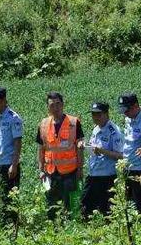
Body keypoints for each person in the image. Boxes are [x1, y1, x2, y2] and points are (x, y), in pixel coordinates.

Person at [37, 91, 84, 219]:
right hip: (50, 173)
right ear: (48, 107)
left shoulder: (74, 122)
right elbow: (41, 149)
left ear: (63, 105)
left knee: (69, 206)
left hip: (70, 172)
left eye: (58, 104)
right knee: (51, 206)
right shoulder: (43, 124)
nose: (55, 108)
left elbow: (80, 148)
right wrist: (41, 170)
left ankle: (69, 232)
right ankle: (54, 231)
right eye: (52, 105)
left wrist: (80, 170)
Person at [0, 87, 23, 223]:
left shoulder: (14, 118)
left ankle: (13, 226)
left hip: (9, 165)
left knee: (10, 198)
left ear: (3, 100)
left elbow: (17, 143)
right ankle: (3, 225)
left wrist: (14, 165)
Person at [81, 102, 123, 218]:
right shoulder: (96, 129)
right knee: (85, 206)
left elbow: (120, 155)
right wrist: (85, 146)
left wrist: (102, 151)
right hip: (93, 173)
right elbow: (94, 148)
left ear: (106, 114)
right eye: (93, 114)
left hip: (107, 176)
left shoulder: (114, 131)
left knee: (107, 210)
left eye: (98, 114)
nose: (95, 117)